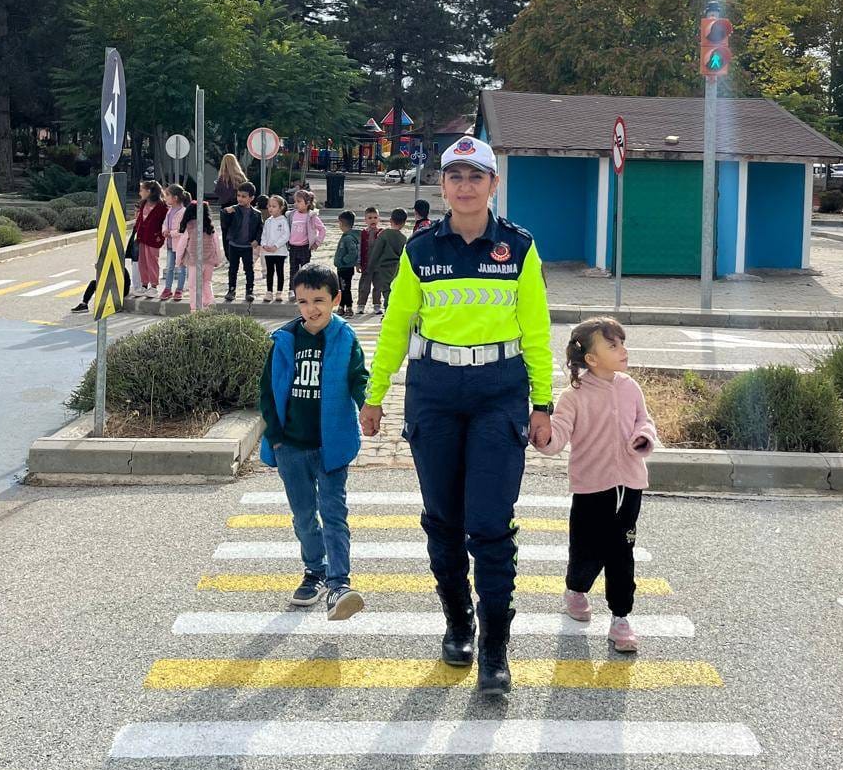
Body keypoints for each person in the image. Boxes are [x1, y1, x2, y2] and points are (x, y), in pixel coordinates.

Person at [360, 136, 553, 699]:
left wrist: (542, 404)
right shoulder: (421, 250)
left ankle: (496, 647)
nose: (465, 186)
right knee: (443, 520)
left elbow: (537, 332)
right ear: (442, 187)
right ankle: (457, 624)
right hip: (435, 393)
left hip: (500, 392)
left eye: (477, 176)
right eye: (455, 177)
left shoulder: (519, 248)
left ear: (494, 185)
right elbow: (396, 327)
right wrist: (374, 397)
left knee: (490, 524)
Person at [538, 318, 659, 654]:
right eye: (613, 345)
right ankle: (576, 589)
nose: (623, 350)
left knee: (622, 551)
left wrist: (643, 436)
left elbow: (643, 420)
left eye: (622, 342)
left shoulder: (630, 387)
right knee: (585, 550)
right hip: (591, 489)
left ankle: (620, 618)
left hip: (630, 486)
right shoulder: (573, 397)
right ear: (590, 359)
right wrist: (543, 436)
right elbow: (557, 437)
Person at [257, 264, 370, 619]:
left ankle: (340, 583)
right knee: (304, 516)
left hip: (331, 444)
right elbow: (267, 393)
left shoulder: (345, 338)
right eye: (303, 301)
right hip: (291, 445)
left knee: (334, 513)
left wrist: (369, 404)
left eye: (319, 300)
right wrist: (275, 438)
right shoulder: (285, 339)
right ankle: (314, 570)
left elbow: (358, 378)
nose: (311, 308)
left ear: (336, 299)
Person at [173, 198, 223, 311]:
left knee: (193, 286)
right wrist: (218, 260)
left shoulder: (190, 226)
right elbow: (216, 244)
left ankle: (196, 308)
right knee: (206, 282)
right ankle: (209, 302)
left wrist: (178, 260)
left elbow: (182, 245)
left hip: (194, 261)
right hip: (209, 260)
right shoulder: (210, 226)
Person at [223, 182, 263, 304]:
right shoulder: (233, 210)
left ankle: (249, 290)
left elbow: (260, 228)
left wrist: (257, 240)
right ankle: (231, 290)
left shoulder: (256, 213)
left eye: (244, 196)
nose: (240, 198)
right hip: (234, 245)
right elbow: (225, 225)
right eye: (239, 195)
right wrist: (226, 213)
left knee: (249, 269)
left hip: (247, 246)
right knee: (233, 269)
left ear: (251, 198)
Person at [286, 189, 325, 300]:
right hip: (293, 247)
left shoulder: (311, 216)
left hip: (304, 247)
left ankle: (305, 290)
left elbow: (322, 229)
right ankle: (292, 290)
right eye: (295, 201)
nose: (296, 204)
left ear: (307, 203)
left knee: (305, 270)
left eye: (299, 201)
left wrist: (317, 242)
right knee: (293, 270)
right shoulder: (292, 215)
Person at [367, 207, 407, 315]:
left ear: (391, 220)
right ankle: (394, 311)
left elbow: (376, 251)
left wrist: (370, 267)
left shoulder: (383, 235)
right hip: (397, 267)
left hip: (383, 267)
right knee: (395, 289)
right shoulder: (404, 238)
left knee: (386, 290)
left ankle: (388, 311)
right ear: (404, 223)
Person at [133, 181, 167, 298]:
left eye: (141, 190)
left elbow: (165, 223)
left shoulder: (162, 206)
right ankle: (144, 285)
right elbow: (139, 220)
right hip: (142, 237)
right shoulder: (143, 204)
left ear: (149, 191)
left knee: (152, 261)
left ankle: (153, 286)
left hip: (154, 239)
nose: (139, 193)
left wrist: (160, 236)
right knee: (142, 262)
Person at [213, 153, 248, 256]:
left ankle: (229, 256)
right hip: (240, 207)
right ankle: (239, 253)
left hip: (225, 208)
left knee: (226, 233)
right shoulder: (241, 177)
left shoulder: (222, 179)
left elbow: (217, 192)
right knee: (239, 231)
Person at [159, 186, 189, 302]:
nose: (165, 198)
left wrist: (170, 233)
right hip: (170, 245)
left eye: (167, 195)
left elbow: (183, 230)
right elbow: (164, 224)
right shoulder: (169, 211)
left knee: (181, 268)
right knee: (170, 268)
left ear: (175, 198)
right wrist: (164, 231)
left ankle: (179, 289)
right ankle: (167, 289)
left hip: (180, 245)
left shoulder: (183, 212)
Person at [260, 193, 290, 304]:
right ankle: (269, 291)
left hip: (280, 252)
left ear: (281, 208)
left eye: (274, 206)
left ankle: (279, 292)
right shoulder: (268, 221)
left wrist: (276, 246)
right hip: (268, 252)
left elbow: (286, 235)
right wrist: (264, 245)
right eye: (269, 206)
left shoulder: (283, 221)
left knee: (280, 272)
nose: (271, 208)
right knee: (269, 272)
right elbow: (264, 234)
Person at [334, 210, 360, 317]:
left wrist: (344, 260)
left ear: (341, 223)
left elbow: (353, 252)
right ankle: (342, 306)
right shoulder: (347, 236)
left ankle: (348, 307)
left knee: (345, 288)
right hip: (343, 267)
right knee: (343, 287)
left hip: (345, 267)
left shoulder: (348, 238)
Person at [356, 205, 382, 315]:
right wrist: (358, 263)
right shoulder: (363, 233)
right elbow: (359, 248)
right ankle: (361, 305)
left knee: (378, 287)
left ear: (379, 219)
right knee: (363, 287)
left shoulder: (382, 233)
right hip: (366, 265)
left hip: (378, 266)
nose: (373, 220)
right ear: (365, 220)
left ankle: (377, 305)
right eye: (370, 218)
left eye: (375, 218)